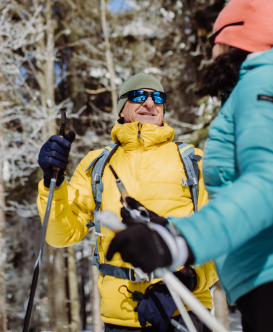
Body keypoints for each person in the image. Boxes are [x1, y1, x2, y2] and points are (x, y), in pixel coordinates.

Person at [106, 0, 273, 332]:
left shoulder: (265, 83)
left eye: (214, 40)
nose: (211, 52)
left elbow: (270, 185)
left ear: (231, 37)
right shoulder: (260, 86)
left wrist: (180, 241)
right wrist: (165, 226)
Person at [37, 73, 218, 332]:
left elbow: (219, 235)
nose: (149, 103)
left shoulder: (193, 162)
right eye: (137, 96)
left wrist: (185, 281)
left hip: (186, 312)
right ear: (122, 109)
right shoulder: (96, 164)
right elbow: (60, 234)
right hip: (119, 319)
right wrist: (50, 183)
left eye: (157, 97)